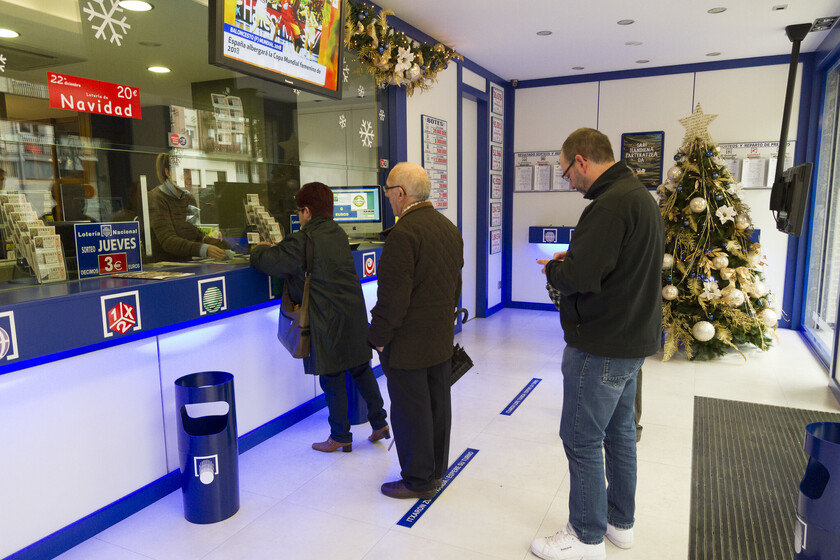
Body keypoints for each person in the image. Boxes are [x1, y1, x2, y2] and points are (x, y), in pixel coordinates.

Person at [532, 128, 664, 560]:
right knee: (620, 436)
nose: (568, 180)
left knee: (581, 438)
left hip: (600, 343)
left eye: (567, 170)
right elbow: (615, 265)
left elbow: (581, 278)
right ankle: (619, 525)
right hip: (631, 340)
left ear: (582, 161)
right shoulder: (640, 197)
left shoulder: (608, 205)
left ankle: (585, 536)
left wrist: (554, 269)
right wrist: (576, 261)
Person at [250, 182, 389, 452]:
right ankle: (380, 422)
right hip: (353, 312)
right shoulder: (338, 232)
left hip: (326, 318)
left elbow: (271, 263)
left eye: (299, 211)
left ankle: (340, 436)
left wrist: (257, 250)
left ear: (306, 211)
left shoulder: (303, 238)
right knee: (361, 368)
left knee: (332, 376)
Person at [368, 162, 464, 500]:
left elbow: (392, 300)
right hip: (439, 339)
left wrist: (377, 339)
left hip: (407, 345)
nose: (388, 198)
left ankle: (417, 480)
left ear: (401, 194)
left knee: (411, 413)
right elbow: (455, 288)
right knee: (437, 406)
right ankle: (435, 471)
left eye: (388, 191)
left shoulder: (403, 235)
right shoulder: (449, 229)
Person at [148, 153, 228, 262]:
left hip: (189, 263)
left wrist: (207, 239)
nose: (189, 177)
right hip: (166, 266)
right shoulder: (156, 198)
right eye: (184, 171)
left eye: (189, 171)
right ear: (168, 173)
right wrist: (204, 249)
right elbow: (168, 241)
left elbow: (194, 232)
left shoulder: (189, 198)